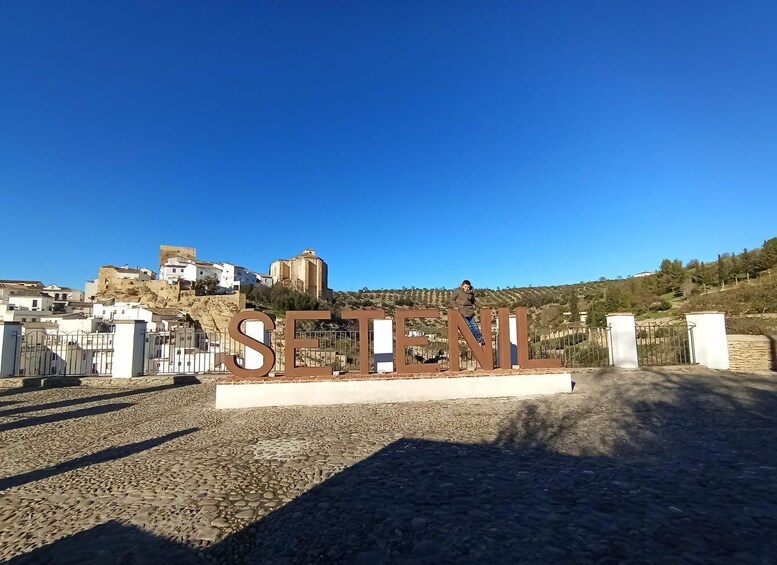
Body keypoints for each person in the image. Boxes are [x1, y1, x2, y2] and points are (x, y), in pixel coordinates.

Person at [450, 279, 485, 345]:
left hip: (470, 311)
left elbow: (474, 302)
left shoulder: (471, 293)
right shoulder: (457, 291)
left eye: (468, 287)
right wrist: (455, 306)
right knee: (467, 326)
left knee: (474, 326)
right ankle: (472, 339)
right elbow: (452, 300)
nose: (467, 288)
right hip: (461, 311)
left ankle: (480, 339)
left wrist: (481, 307)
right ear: (462, 286)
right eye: (465, 286)